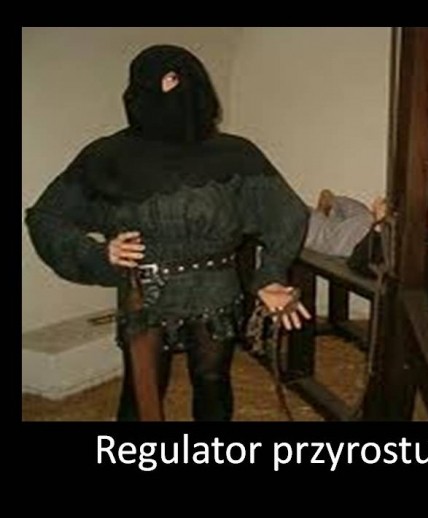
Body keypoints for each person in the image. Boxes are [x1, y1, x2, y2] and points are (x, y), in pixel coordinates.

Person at [25, 44, 311, 421]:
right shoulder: (107, 155)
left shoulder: (235, 154)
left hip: (215, 289)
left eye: (178, 79)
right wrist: (98, 255)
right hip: (144, 292)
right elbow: (47, 216)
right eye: (160, 80)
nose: (171, 90)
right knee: (141, 393)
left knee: (212, 383)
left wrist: (270, 276)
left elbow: (286, 214)